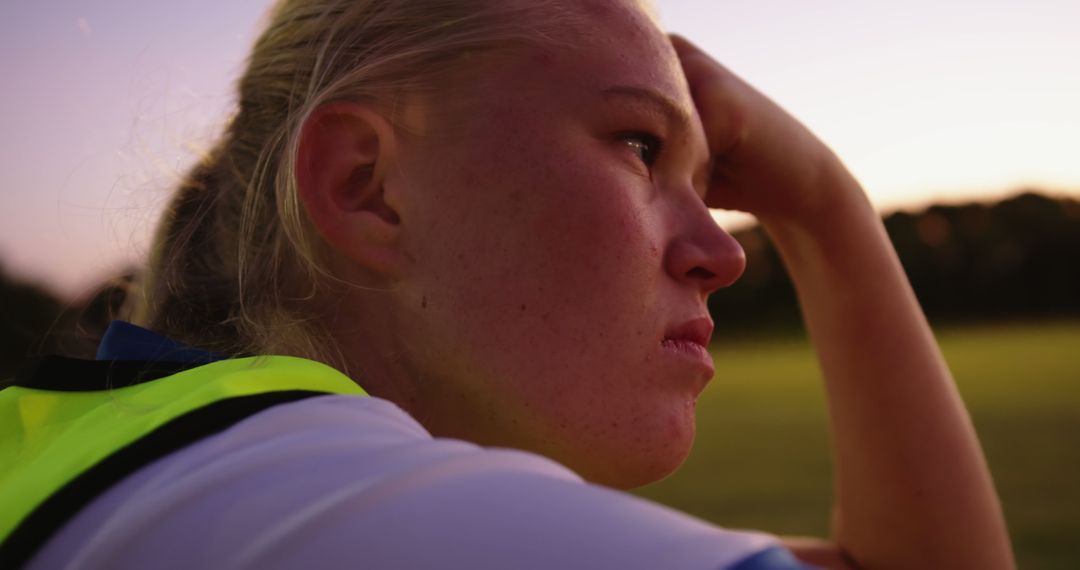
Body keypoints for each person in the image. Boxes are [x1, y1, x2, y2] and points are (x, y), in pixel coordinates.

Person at [0, 0, 1014, 568]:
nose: (724, 250)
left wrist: (825, 205)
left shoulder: (163, 462)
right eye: (639, 145)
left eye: (709, 184)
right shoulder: (358, 518)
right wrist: (830, 209)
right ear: (369, 188)